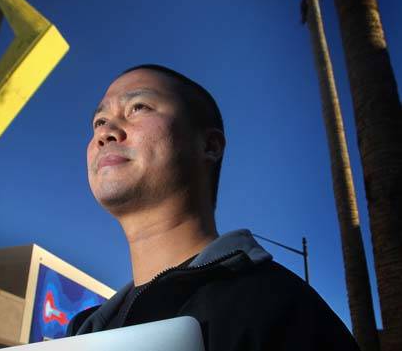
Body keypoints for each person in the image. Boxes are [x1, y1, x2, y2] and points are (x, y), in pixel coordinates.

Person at [66, 64, 360, 351]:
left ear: (210, 145)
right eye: (99, 122)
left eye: (138, 107)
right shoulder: (84, 330)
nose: (106, 133)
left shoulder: (280, 307)